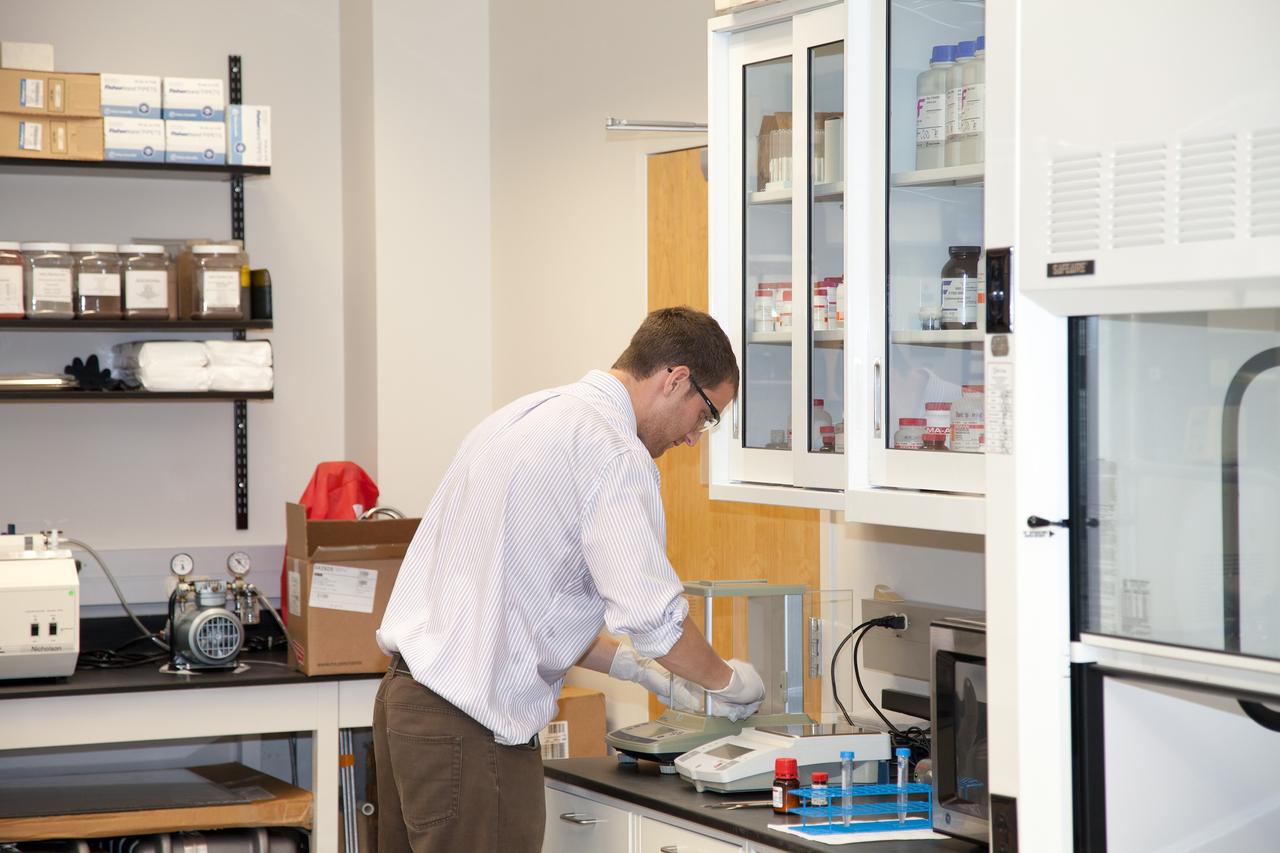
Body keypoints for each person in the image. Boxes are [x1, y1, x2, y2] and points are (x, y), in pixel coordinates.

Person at [373, 306, 766, 852]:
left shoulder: (525, 415)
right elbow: (656, 621)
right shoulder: (613, 451)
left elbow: (530, 603)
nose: (693, 438)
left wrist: (636, 670)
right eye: (705, 415)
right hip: (470, 732)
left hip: (407, 707)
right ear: (675, 378)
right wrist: (727, 683)